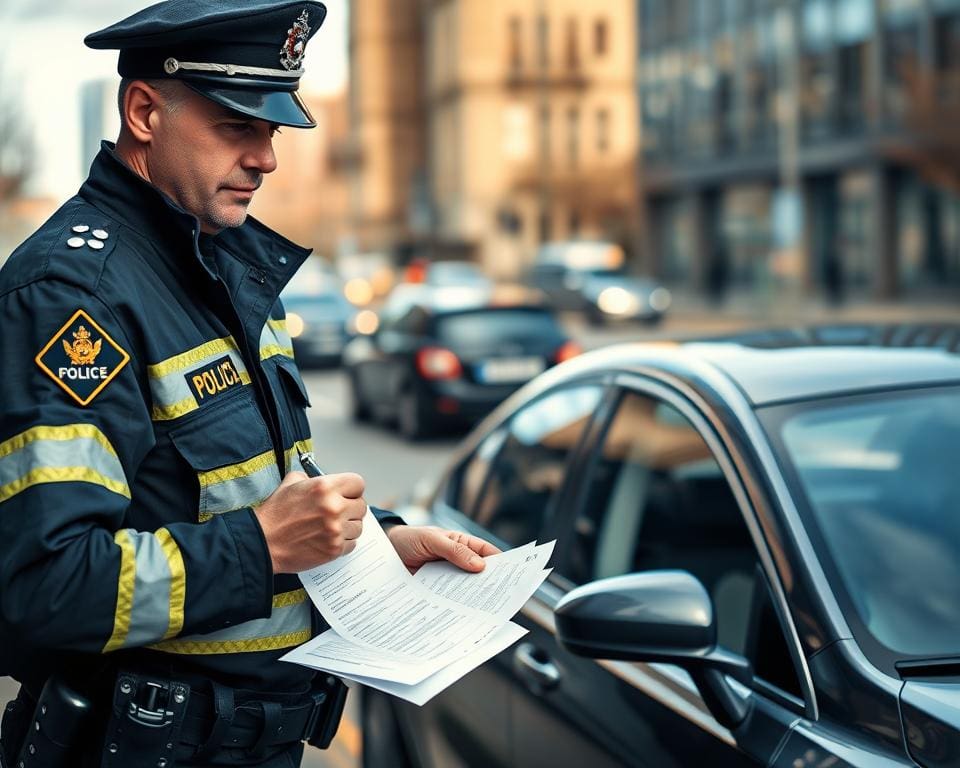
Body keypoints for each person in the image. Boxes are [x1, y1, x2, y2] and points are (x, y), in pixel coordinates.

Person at [0, 2, 498, 766]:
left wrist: (377, 545)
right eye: (239, 126)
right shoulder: (74, 294)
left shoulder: (225, 269)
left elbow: (258, 493)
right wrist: (261, 548)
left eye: (271, 132)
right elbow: (48, 587)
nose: (266, 158)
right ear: (144, 112)